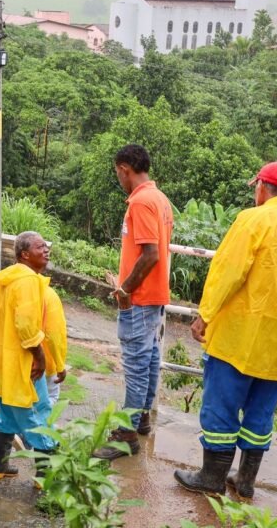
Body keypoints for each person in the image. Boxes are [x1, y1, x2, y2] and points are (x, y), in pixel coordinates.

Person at [174, 162, 277, 498]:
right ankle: (245, 481)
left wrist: (205, 314)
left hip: (239, 337)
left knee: (221, 405)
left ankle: (211, 477)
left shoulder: (252, 220)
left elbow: (228, 271)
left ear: (262, 187)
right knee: (260, 412)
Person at [94, 144, 173, 461]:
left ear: (124, 169)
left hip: (139, 299)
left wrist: (124, 289)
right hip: (153, 296)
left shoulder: (141, 202)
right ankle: (141, 420)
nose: (119, 179)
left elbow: (151, 254)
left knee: (137, 366)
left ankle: (126, 435)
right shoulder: (160, 199)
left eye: (118, 173)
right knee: (149, 359)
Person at [0, 231, 60, 481]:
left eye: (46, 246)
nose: (46, 250)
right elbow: (26, 325)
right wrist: (40, 356)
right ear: (24, 254)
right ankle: (45, 476)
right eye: (39, 247)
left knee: (7, 414)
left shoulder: (3, 280)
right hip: (22, 363)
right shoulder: (28, 280)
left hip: (1, 363)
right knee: (38, 411)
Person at [43, 283, 68, 407]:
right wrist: (60, 366)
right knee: (50, 398)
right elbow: (54, 335)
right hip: (43, 362)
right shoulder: (48, 294)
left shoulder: (3, 286)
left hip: (11, 362)